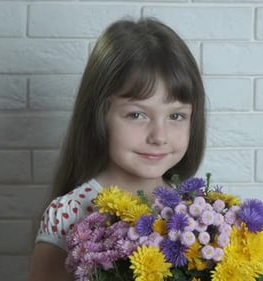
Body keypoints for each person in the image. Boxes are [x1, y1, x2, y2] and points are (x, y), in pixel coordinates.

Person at [27, 17, 206, 281]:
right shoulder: (69, 213)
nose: (159, 136)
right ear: (99, 115)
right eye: (136, 115)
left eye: (176, 116)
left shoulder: (196, 212)